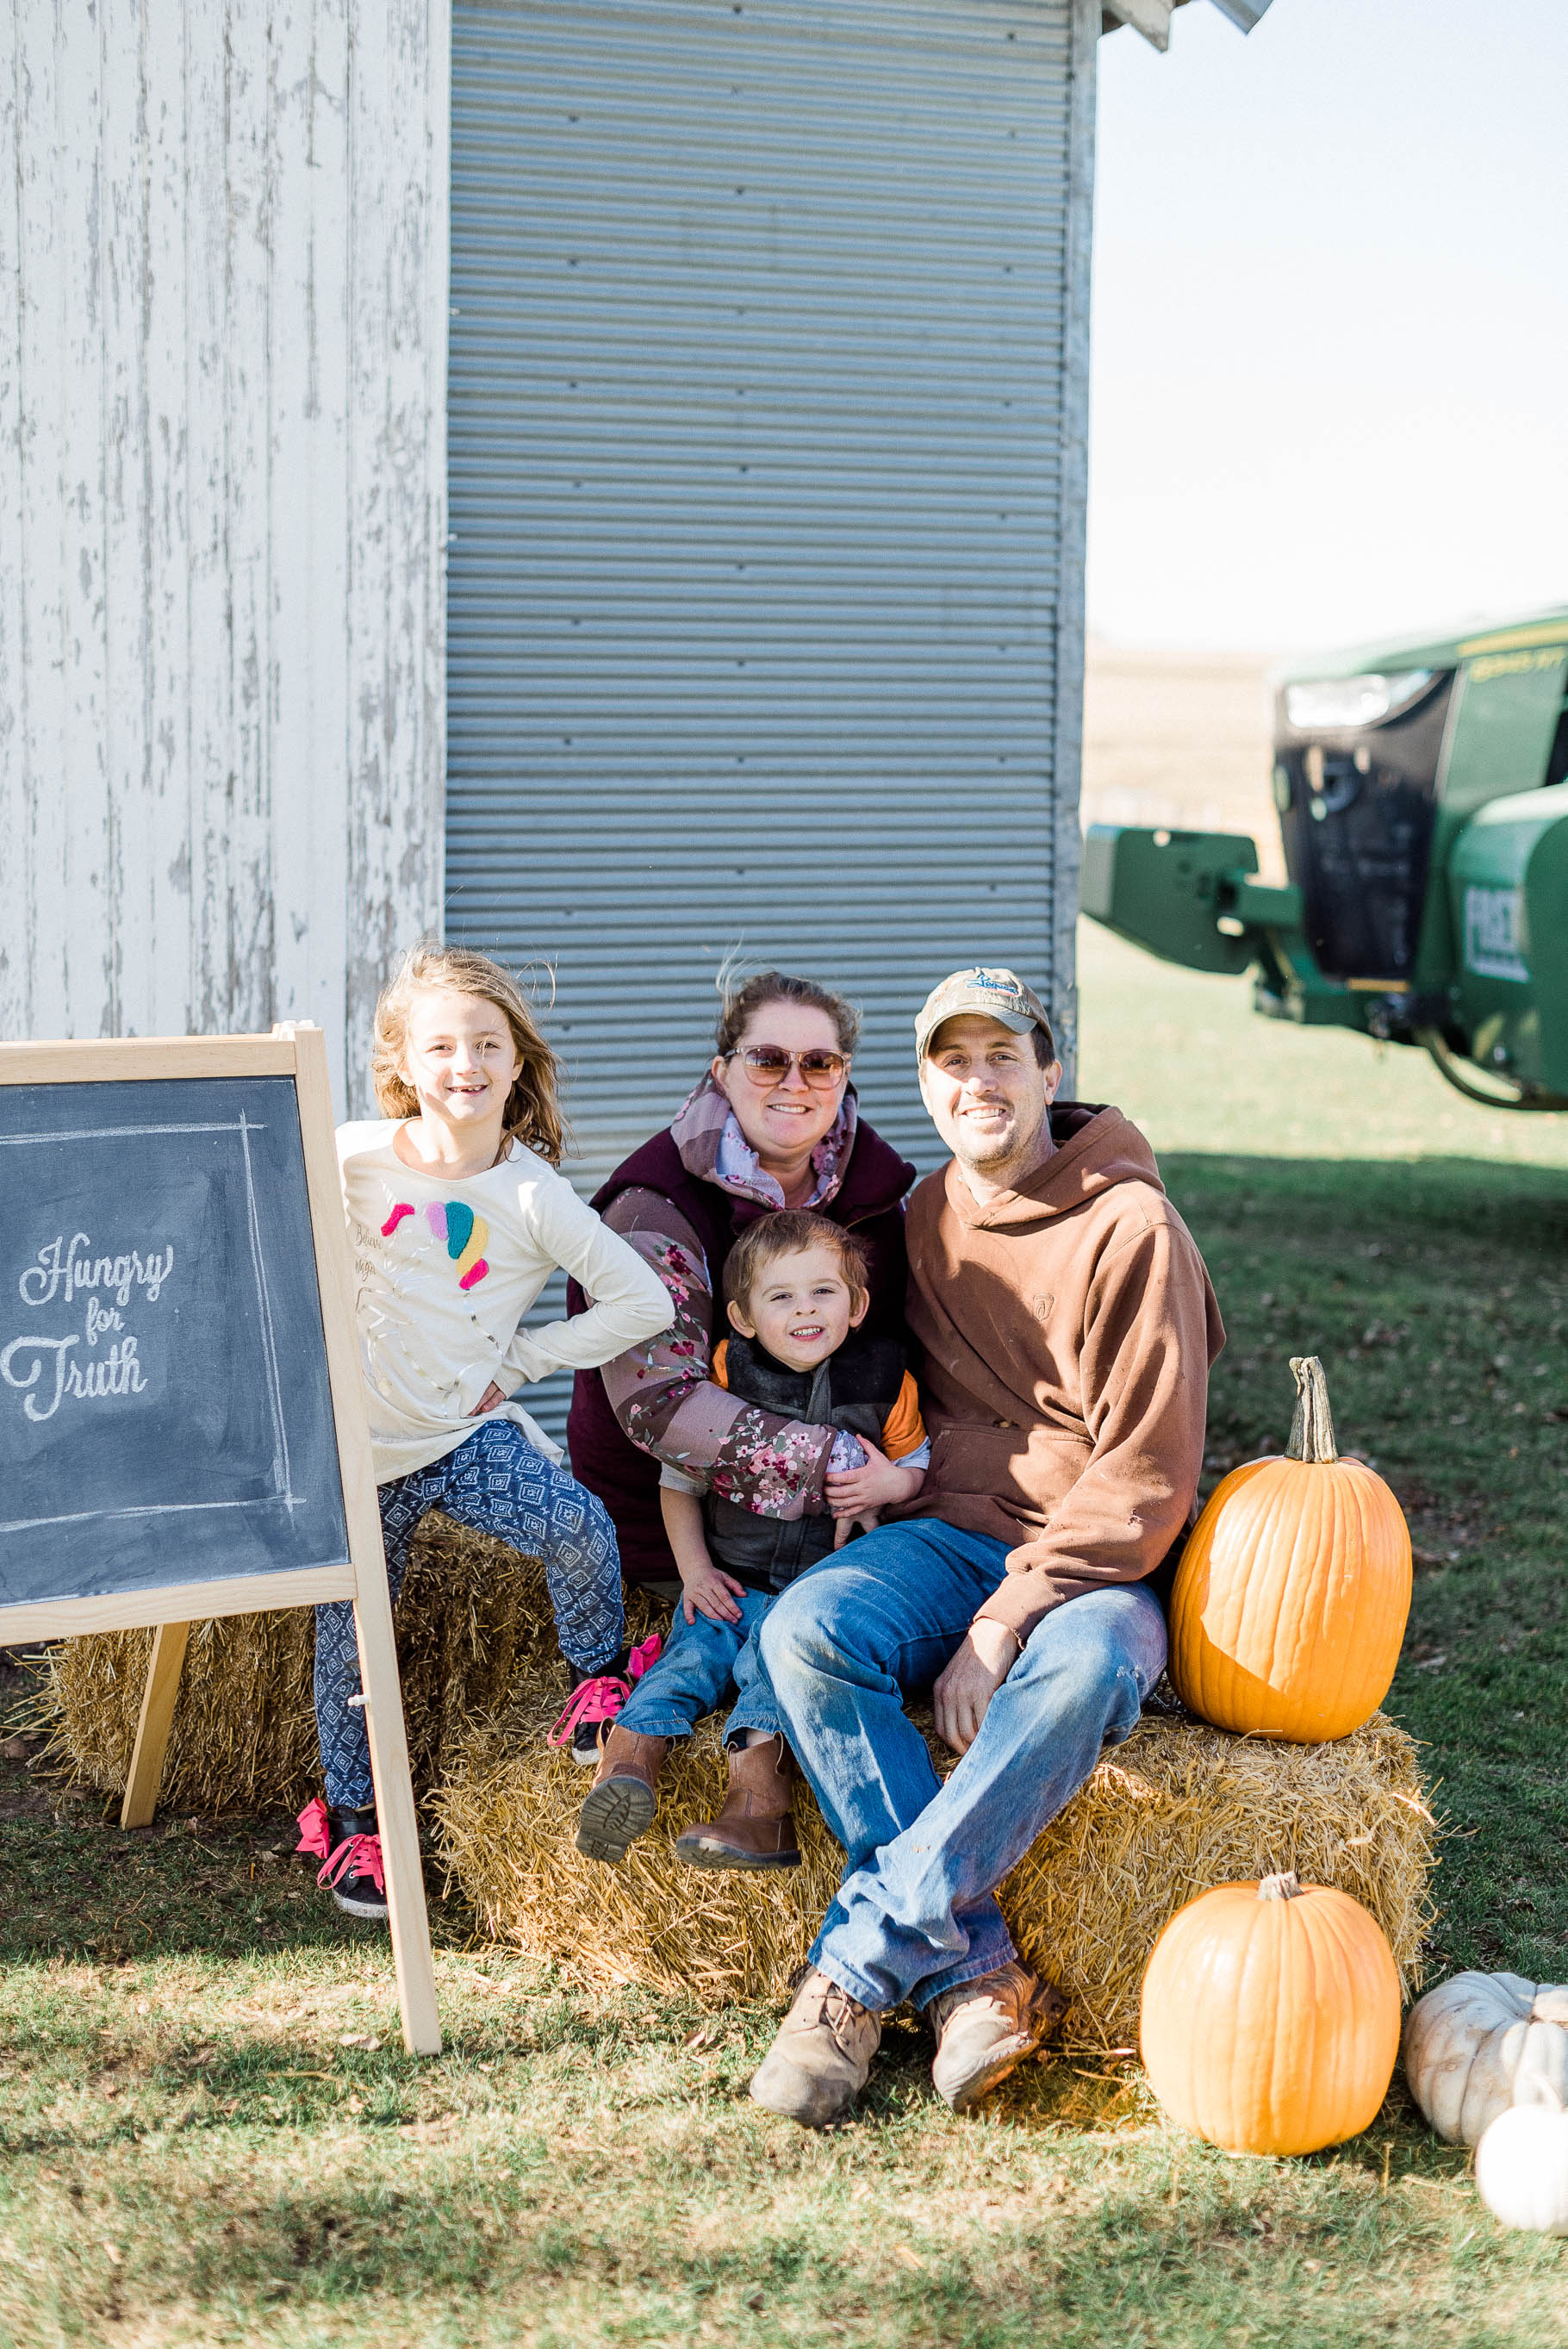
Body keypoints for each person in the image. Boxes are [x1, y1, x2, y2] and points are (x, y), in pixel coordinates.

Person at [745, 966, 1224, 2126]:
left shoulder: (1132, 1225)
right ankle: (974, 1970)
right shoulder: (924, 1217)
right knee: (810, 1626)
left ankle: (855, 1974)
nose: (978, 1081)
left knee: (1085, 1670)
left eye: (1002, 1055)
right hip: (952, 1530)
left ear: (1050, 1071)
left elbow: (1149, 1474)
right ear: (924, 1083)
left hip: (1095, 1558)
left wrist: (1007, 1618)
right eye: (951, 1060)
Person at [296, 943, 674, 1920]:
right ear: (402, 1064)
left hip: (461, 1437)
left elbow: (641, 1300)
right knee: (349, 1641)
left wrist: (519, 1363)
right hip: (354, 1457)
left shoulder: (532, 1194)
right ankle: (356, 1823)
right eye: (440, 1045)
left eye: (486, 1043)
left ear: (517, 1062)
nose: (463, 1063)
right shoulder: (348, 1155)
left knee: (575, 1524)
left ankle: (595, 1681)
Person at [573, 1211, 927, 1871]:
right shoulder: (726, 1375)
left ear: (858, 1306)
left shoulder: (888, 1380)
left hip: (813, 1602)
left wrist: (893, 1486)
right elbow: (680, 1482)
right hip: (731, 1580)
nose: (805, 1310)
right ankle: (627, 1770)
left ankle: (756, 1810)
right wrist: (696, 1573)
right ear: (741, 1317)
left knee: (771, 1682)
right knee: (686, 1663)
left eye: (824, 1292)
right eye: (781, 1296)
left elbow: (922, 1465)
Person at [564, 968, 916, 1598]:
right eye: (767, 1060)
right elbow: (660, 1404)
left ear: (843, 1075)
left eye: (819, 1062)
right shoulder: (651, 1209)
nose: (794, 1082)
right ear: (722, 1072)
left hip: (848, 1537)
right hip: (687, 1555)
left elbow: (908, 1361)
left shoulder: (875, 1201)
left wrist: (914, 1481)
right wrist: (841, 1467)